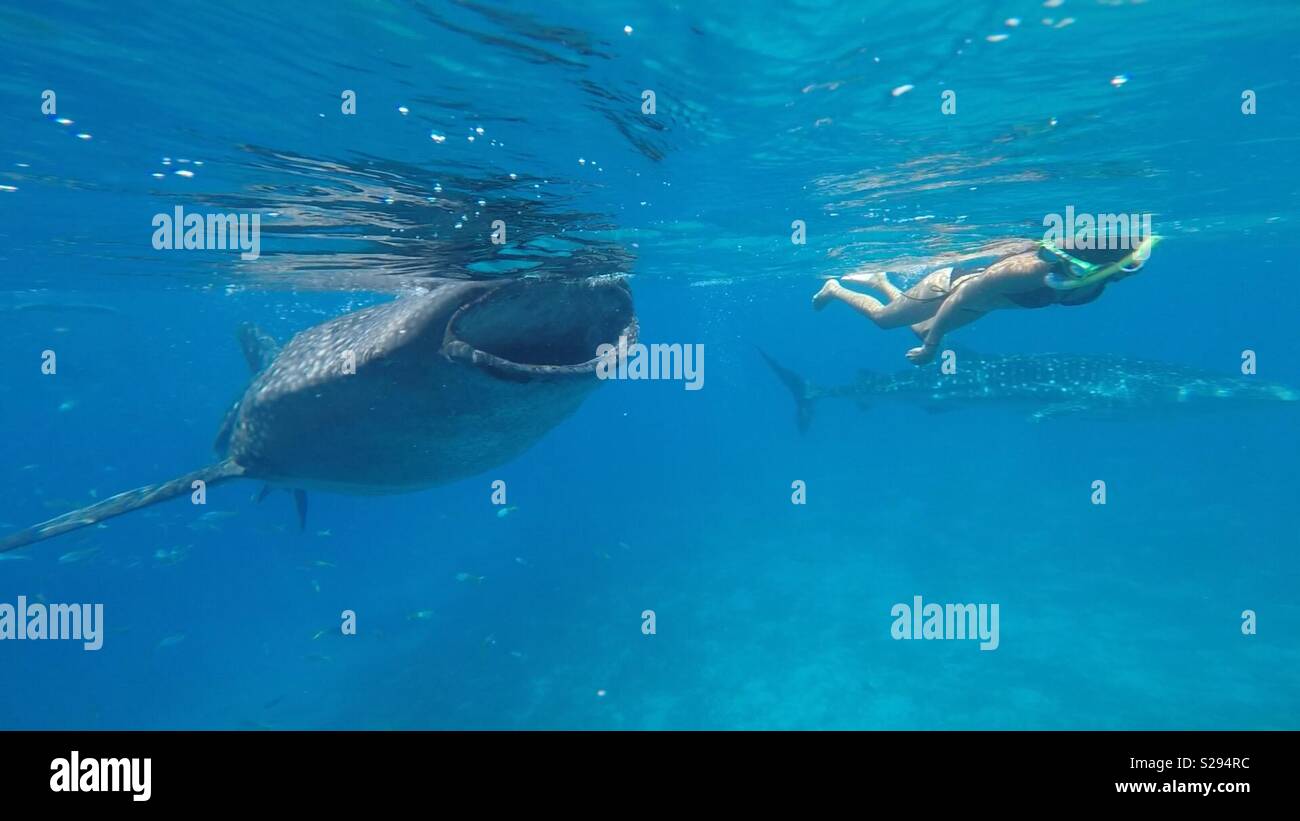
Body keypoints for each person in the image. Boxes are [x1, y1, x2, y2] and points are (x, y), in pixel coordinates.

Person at [811, 235, 1159, 365]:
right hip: (950, 287)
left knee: (920, 329)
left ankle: (879, 280)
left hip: (986, 302)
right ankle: (834, 288)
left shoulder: (1094, 285)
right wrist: (934, 347)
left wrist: (930, 338)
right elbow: (960, 297)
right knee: (885, 321)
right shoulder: (1025, 273)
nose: (1129, 274)